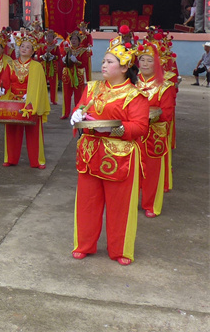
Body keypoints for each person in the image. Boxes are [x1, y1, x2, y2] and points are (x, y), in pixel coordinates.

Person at [69, 43, 149, 265]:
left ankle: (120, 250)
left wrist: (114, 129)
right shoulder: (92, 88)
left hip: (119, 157)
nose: (103, 65)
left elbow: (140, 127)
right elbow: (82, 108)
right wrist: (77, 115)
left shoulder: (135, 95)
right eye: (103, 61)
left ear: (124, 68)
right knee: (87, 203)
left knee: (120, 207)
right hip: (89, 153)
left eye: (109, 62)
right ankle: (84, 244)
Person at [135, 41, 176, 218]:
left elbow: (166, 114)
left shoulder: (164, 86)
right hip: (134, 133)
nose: (144, 64)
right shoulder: (131, 82)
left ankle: (151, 204)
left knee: (152, 172)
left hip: (153, 135)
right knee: (132, 169)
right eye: (142, 59)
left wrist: (149, 115)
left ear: (157, 63)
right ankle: (130, 201)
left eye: (149, 60)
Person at [3, 33, 50, 169]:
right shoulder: (11, 64)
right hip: (13, 101)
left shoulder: (36, 66)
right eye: (22, 46)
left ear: (33, 51)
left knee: (34, 132)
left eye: (28, 47)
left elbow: (40, 86)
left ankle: (37, 160)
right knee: (12, 130)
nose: (24, 49)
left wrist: (31, 96)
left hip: (31, 101)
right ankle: (10, 158)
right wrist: (2, 89)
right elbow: (5, 82)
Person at [60, 30, 90, 119]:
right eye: (72, 39)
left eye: (75, 39)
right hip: (67, 76)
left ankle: (77, 114)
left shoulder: (83, 51)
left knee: (78, 96)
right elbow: (62, 65)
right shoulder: (66, 50)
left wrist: (76, 61)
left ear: (79, 41)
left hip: (78, 76)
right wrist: (63, 61)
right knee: (66, 95)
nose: (73, 41)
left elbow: (84, 64)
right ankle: (65, 113)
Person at [38, 29, 61, 105]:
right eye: (48, 36)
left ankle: (53, 99)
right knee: (42, 84)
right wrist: (43, 57)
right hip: (44, 67)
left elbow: (59, 57)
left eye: (50, 36)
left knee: (53, 84)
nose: (49, 38)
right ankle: (42, 99)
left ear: (53, 37)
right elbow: (39, 56)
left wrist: (53, 57)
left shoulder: (56, 47)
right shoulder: (42, 46)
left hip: (53, 67)